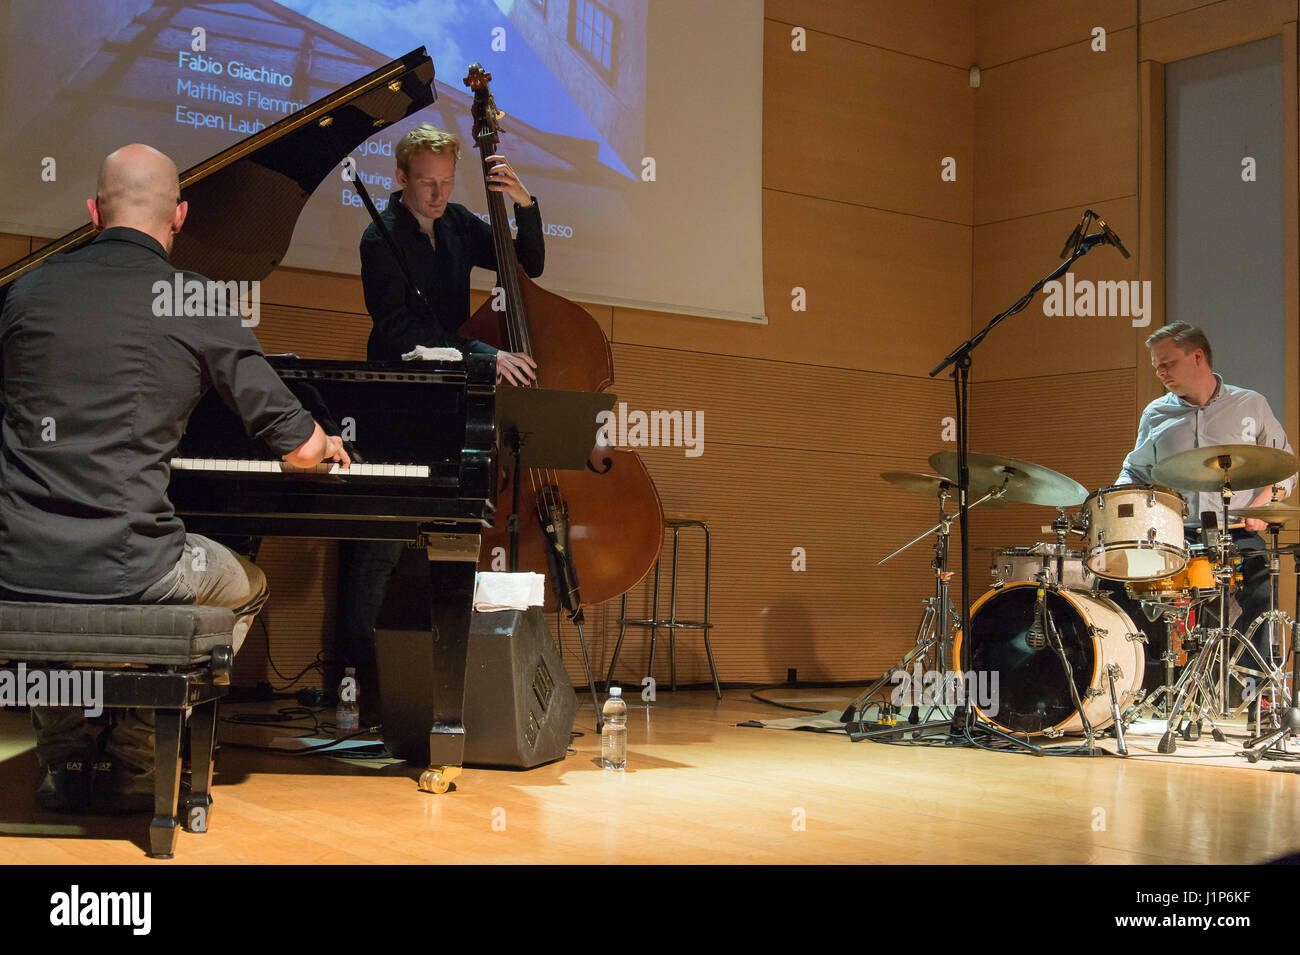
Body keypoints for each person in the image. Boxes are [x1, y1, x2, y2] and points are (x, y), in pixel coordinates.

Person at [0, 144, 350, 812]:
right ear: (181, 216)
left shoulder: (27, 291)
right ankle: (137, 750)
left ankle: (66, 758)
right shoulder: (191, 298)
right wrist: (319, 443)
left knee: (50, 584)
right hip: (136, 563)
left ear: (92, 211)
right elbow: (302, 450)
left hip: (17, 558)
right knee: (245, 583)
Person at [338, 124, 544, 711]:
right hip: (396, 401)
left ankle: (429, 683)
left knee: (445, 544)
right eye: (426, 183)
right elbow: (403, 334)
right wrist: (487, 355)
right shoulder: (380, 241)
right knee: (381, 549)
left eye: (447, 183)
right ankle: (365, 683)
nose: (437, 194)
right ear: (401, 177)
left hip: (449, 402)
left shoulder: (456, 225)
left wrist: (525, 205)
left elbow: (525, 263)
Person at [1113, 321, 1295, 713]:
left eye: (1167, 364)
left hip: (1237, 532)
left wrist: (1263, 504)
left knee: (1260, 588)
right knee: (1126, 587)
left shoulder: (1251, 405)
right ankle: (1143, 688)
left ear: (1198, 357)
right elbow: (1134, 472)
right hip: (1178, 534)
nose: (1160, 374)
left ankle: (1251, 694)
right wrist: (1120, 508)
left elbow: (1285, 469)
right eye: (1156, 367)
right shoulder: (1156, 413)